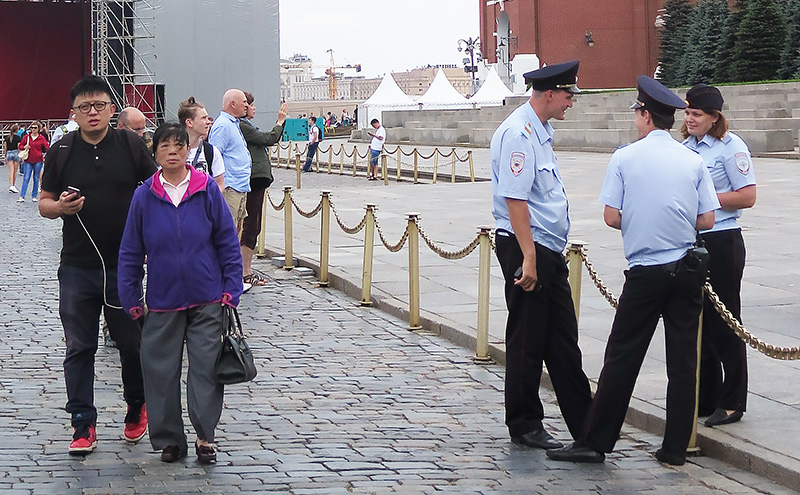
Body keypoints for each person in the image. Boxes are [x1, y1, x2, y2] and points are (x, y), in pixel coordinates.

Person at [547, 76, 719, 466]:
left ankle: (596, 441)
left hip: (644, 270)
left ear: (644, 116)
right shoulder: (693, 160)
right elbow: (707, 218)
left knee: (623, 357)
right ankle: (675, 447)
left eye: (638, 113)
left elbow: (610, 216)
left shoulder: (625, 158)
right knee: (683, 360)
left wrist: (640, 219)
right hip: (685, 268)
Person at [39, 75, 155, 455]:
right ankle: (82, 423)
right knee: (79, 346)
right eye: (85, 107)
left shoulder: (130, 144)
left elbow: (156, 188)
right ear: (73, 112)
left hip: (124, 265)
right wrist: (60, 208)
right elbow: (44, 202)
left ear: (111, 109)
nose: (93, 113)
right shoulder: (62, 150)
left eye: (100, 105)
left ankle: (137, 408)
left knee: (131, 344)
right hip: (76, 265)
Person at [118, 122, 243, 464]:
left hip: (208, 298)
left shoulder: (205, 190)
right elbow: (130, 251)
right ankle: (170, 438)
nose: (172, 151)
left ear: (188, 150)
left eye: (178, 145)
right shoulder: (144, 195)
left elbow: (227, 242)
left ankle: (205, 436)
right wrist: (131, 298)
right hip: (163, 300)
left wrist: (232, 287)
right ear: (155, 153)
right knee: (159, 371)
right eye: (164, 146)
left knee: (205, 370)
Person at [490, 60, 592, 451]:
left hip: (545, 247)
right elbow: (515, 199)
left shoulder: (538, 130)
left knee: (563, 339)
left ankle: (587, 424)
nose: (571, 103)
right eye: (568, 96)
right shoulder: (519, 134)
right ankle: (524, 423)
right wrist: (529, 258)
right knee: (529, 338)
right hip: (527, 245)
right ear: (550, 93)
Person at [681, 84, 756, 427]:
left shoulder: (730, 147)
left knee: (726, 320)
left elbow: (747, 196)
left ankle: (733, 400)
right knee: (701, 323)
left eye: (697, 114)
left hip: (722, 240)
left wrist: (707, 197)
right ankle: (706, 395)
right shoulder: (685, 148)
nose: (690, 119)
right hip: (693, 239)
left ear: (714, 118)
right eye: (687, 112)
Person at [239, 92, 288, 287]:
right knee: (251, 225)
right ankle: (244, 271)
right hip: (253, 178)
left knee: (254, 225)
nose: (254, 108)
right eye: (251, 105)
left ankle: (247, 269)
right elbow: (268, 138)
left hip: (257, 179)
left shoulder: (245, 125)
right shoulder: (243, 126)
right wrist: (280, 121)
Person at [209, 89, 251, 230]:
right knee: (227, 231)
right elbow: (214, 156)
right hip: (230, 188)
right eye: (244, 102)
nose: (247, 105)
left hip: (239, 187)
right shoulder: (223, 126)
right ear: (233, 104)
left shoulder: (233, 123)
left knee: (235, 232)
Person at [178, 96, 226, 191]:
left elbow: (220, 184)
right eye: (203, 118)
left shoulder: (211, 151)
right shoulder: (172, 151)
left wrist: (210, 201)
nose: (208, 122)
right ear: (189, 122)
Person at [17, 121, 49, 203]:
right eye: (32, 127)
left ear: (38, 129)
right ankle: (22, 196)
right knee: (26, 178)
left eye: (35, 128)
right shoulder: (27, 137)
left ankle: (34, 196)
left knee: (36, 178)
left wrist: (46, 156)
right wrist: (24, 146)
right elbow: (20, 145)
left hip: (38, 160)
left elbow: (47, 147)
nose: (33, 129)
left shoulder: (41, 138)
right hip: (28, 160)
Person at [4, 124, 22, 193]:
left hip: (9, 153)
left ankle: (11, 185)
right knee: (15, 170)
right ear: (17, 130)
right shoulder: (18, 138)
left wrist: (5, 157)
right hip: (15, 153)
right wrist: (21, 156)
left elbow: (5, 148)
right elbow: (19, 147)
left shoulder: (7, 138)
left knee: (10, 170)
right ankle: (13, 185)